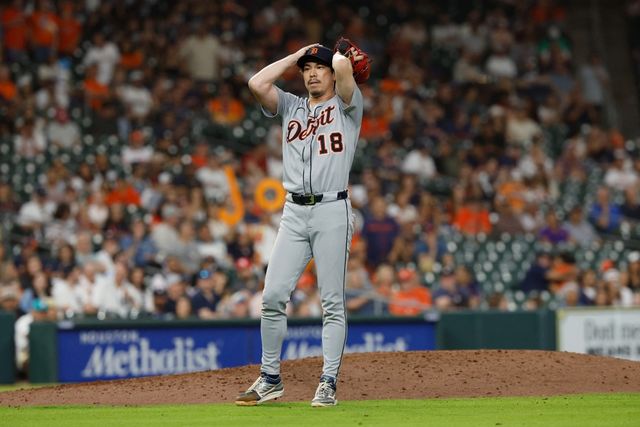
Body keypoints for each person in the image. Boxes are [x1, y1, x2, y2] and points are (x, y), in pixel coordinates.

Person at [236, 42, 365, 407]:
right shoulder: (292, 106)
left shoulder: (348, 105)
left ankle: (328, 382)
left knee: (331, 302)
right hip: (293, 212)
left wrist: (336, 58)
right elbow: (257, 83)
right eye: (306, 69)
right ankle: (270, 378)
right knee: (272, 296)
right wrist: (295, 56)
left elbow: (344, 69)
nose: (312, 73)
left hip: (332, 209)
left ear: (332, 73)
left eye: (318, 67)